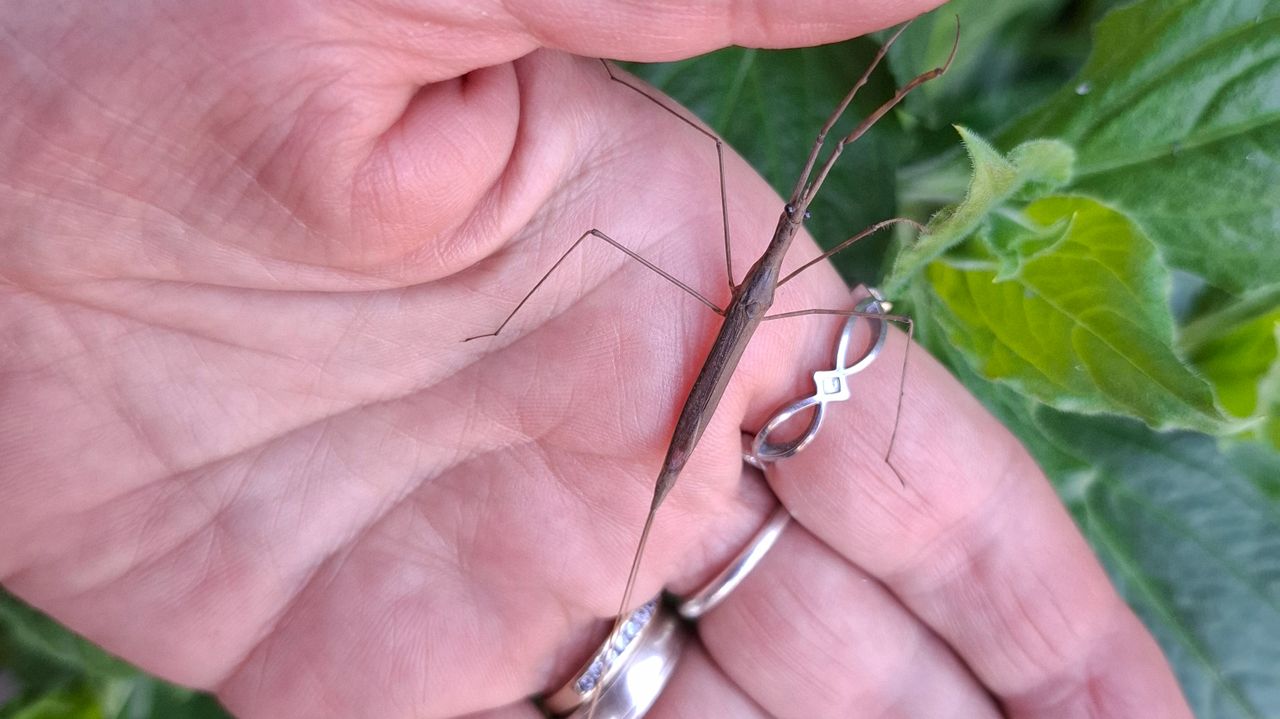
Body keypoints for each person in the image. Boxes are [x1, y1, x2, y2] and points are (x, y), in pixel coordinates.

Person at [0, 1, 1195, 717]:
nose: (815, 176)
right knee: (783, 192)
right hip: (702, 376)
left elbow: (829, 160)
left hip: (720, 360)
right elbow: (818, 164)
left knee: (819, 181)